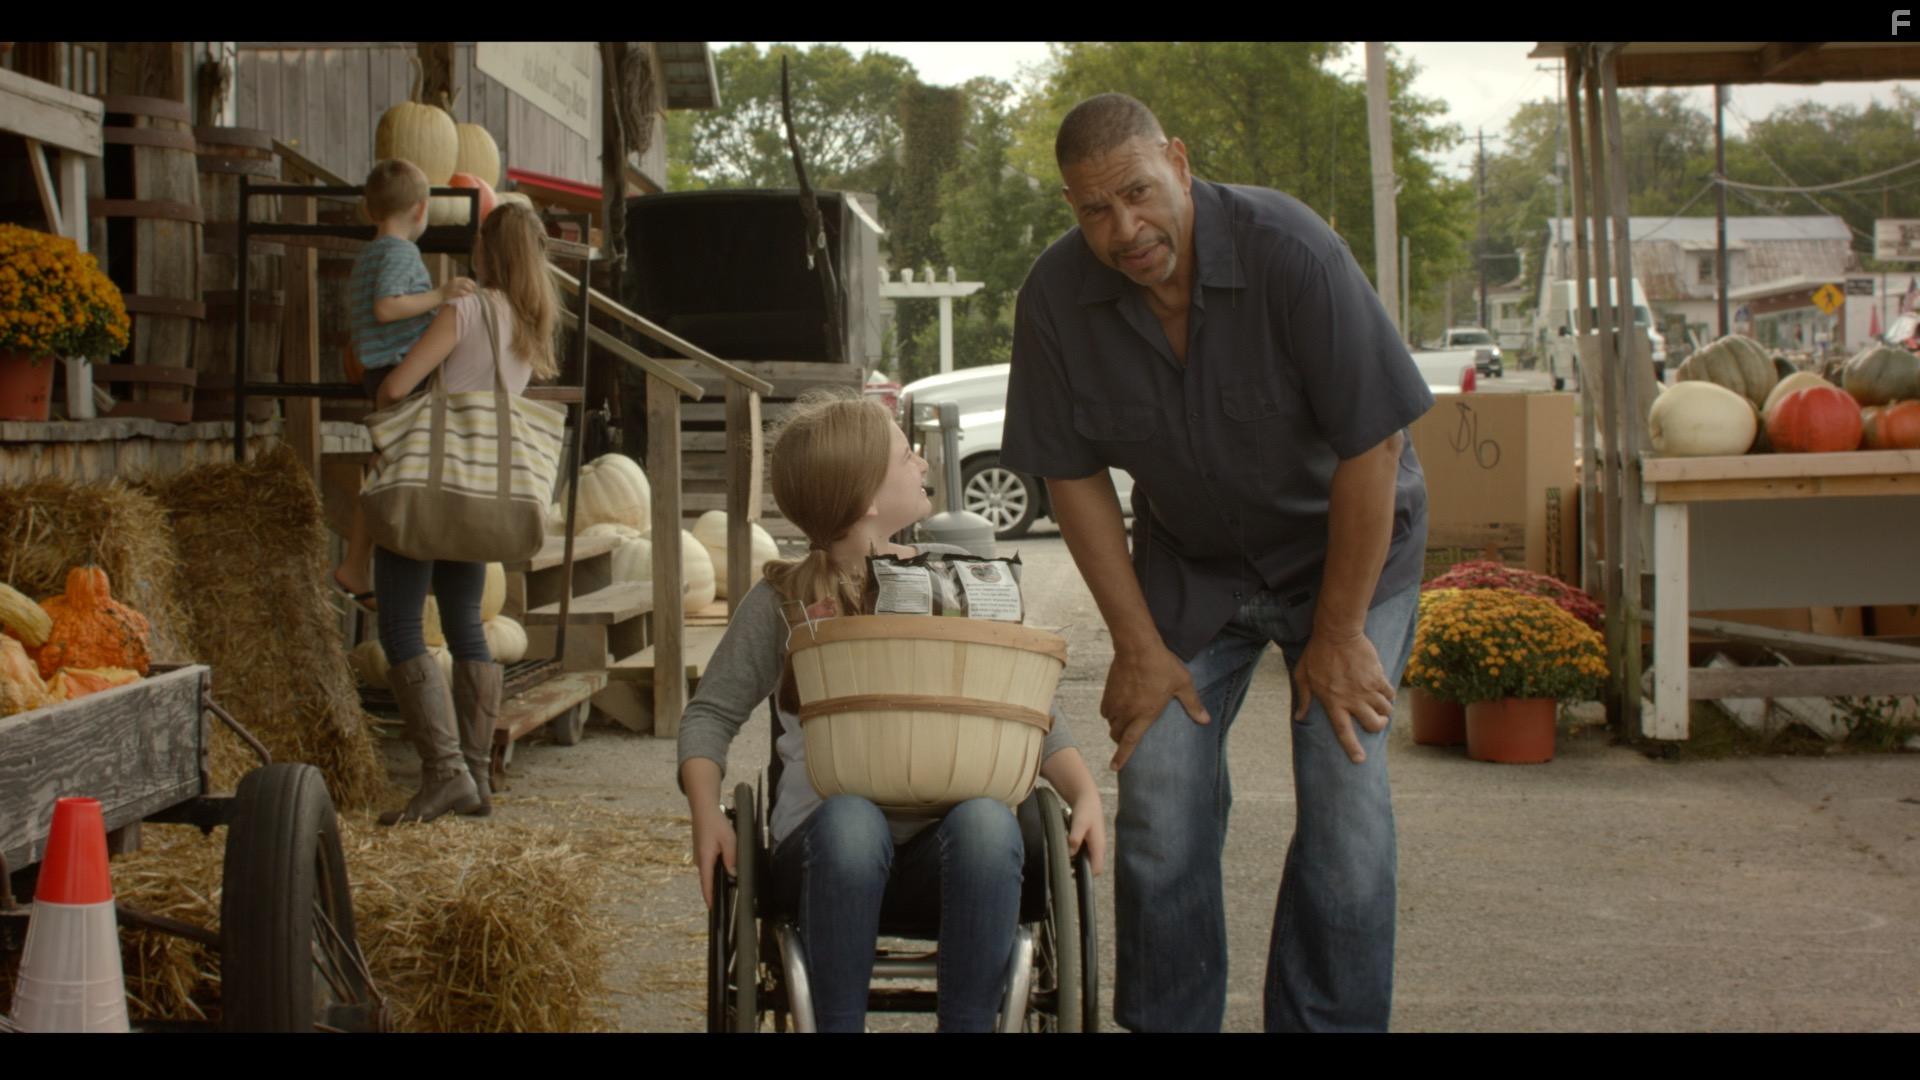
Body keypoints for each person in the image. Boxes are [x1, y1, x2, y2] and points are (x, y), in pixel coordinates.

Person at [1000, 93, 1435, 1032]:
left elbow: (1374, 446)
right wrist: (1135, 645)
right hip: (1194, 566)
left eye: (1139, 193)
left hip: (1346, 560)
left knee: (1344, 793)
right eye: (1093, 210)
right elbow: (1069, 477)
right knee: (1156, 783)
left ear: (1180, 162)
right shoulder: (1054, 297)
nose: (1124, 229)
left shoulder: (1294, 250)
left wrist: (1340, 632)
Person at [677, 395, 1106, 1032]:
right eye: (904, 452)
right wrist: (706, 815)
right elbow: (709, 713)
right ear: (868, 500)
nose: (920, 459)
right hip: (826, 850)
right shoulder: (782, 602)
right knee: (851, 819)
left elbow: (1023, 706)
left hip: (950, 848)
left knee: (991, 822)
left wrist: (1084, 791)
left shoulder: (957, 584)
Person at [372, 201, 559, 825]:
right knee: (466, 625)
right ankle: (476, 776)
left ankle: (444, 773)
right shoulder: (530, 323)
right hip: (484, 494)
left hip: (435, 487)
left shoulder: (466, 309)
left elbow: (399, 388)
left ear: (489, 250)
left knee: (399, 624)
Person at [330, 158, 475, 613]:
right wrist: (441, 295)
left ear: (370, 210)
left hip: (380, 371)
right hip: (397, 374)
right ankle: (372, 564)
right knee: (392, 473)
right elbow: (387, 309)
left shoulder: (370, 254)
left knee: (381, 469)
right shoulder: (398, 253)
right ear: (421, 210)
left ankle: (356, 565)